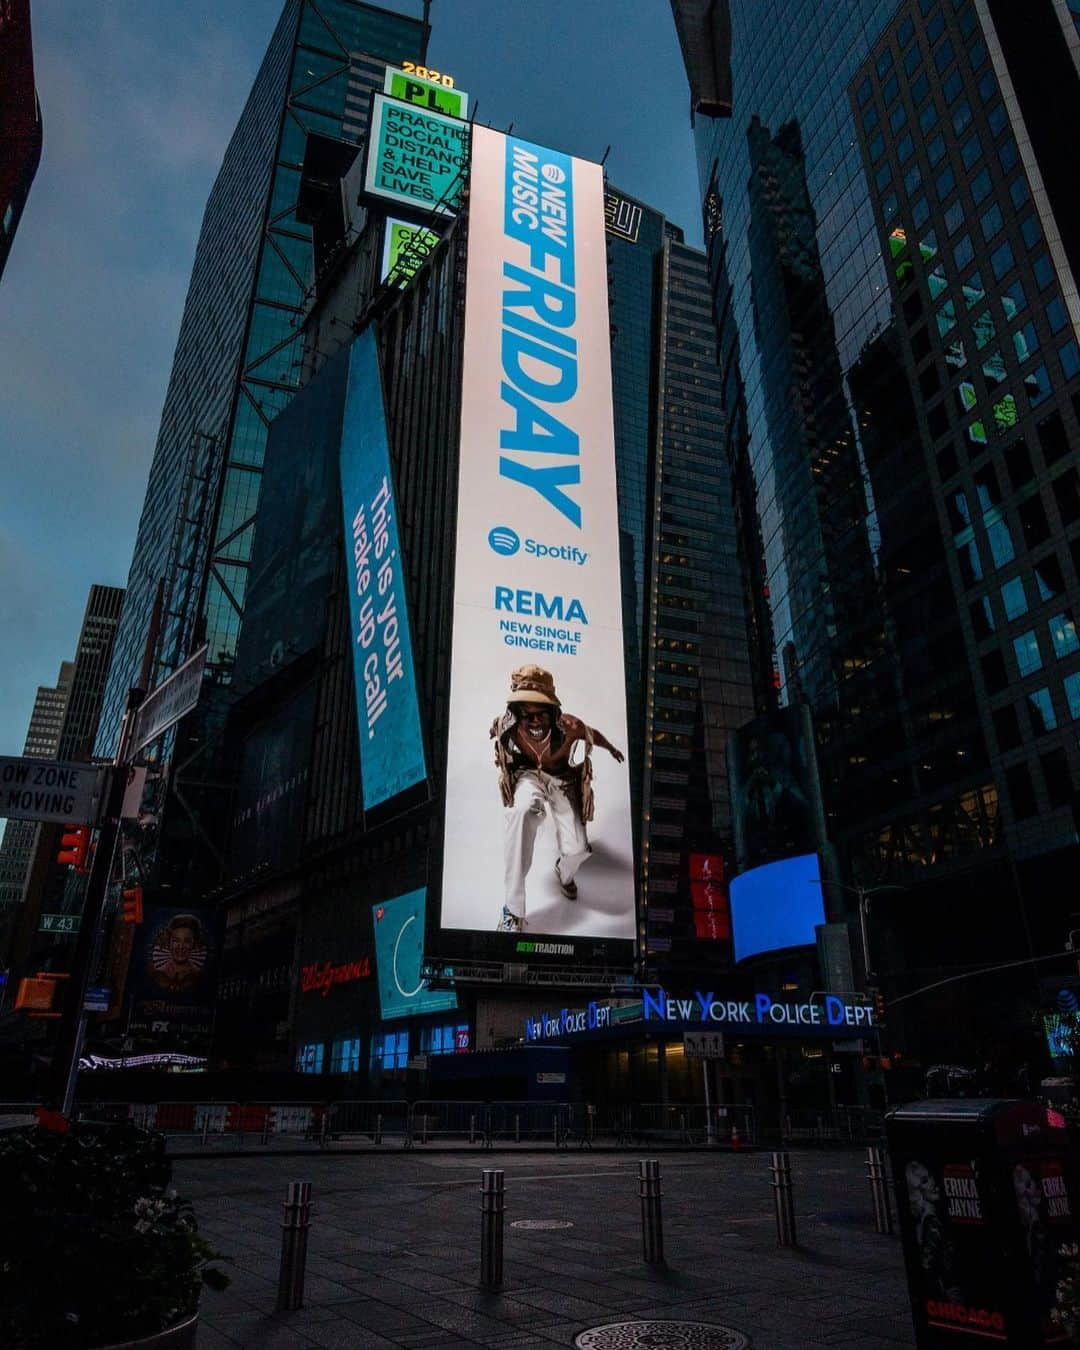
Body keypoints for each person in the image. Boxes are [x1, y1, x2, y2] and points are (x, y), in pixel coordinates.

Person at [490, 665, 624, 932]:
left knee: (577, 850)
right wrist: (493, 733)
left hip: (562, 780)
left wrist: (611, 748)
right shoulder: (508, 726)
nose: (535, 721)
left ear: (553, 713)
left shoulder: (571, 726)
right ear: (516, 714)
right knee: (522, 812)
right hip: (529, 775)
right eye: (527, 714)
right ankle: (513, 910)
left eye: (542, 713)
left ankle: (564, 874)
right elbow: (495, 729)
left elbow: (592, 735)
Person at [150, 914, 207, 993]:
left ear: (194, 944)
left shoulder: (198, 975)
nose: (181, 947)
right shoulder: (159, 973)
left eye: (187, 941)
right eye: (176, 941)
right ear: (168, 942)